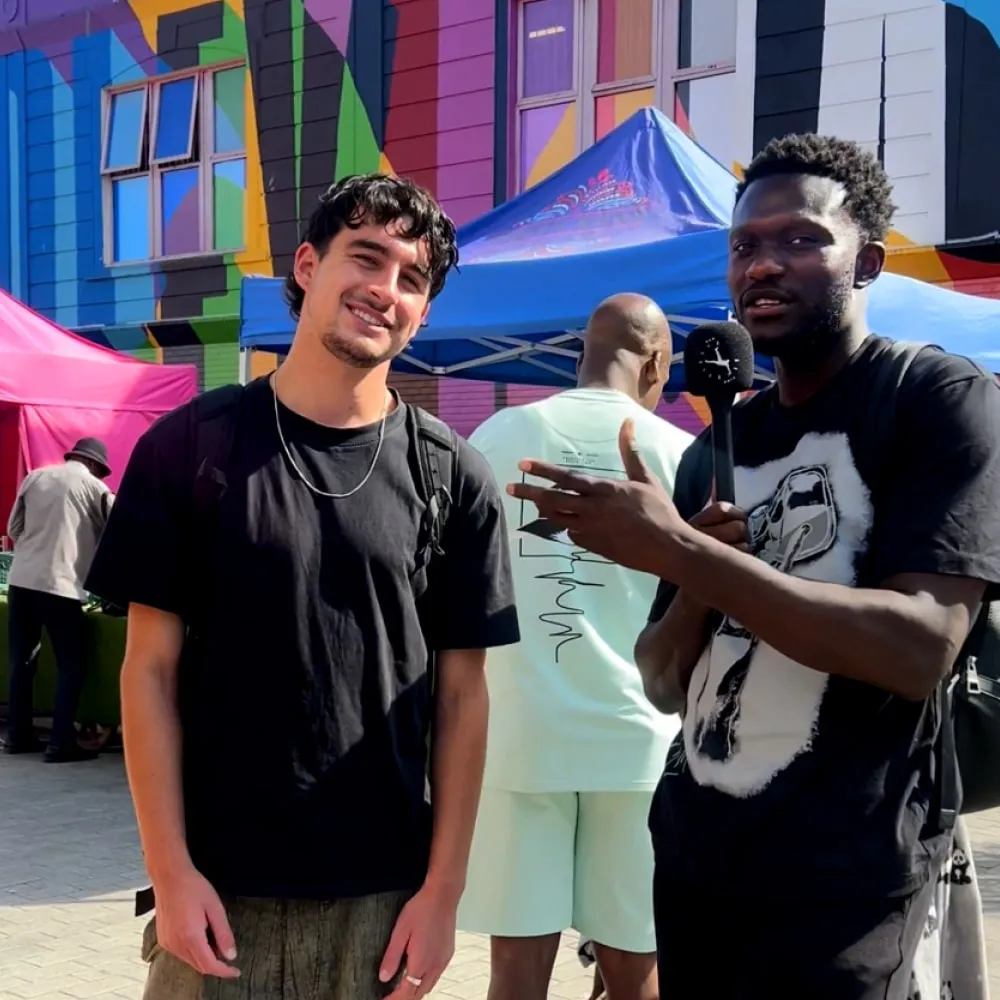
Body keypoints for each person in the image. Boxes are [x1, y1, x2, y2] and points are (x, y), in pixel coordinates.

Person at [507, 134, 1000, 997]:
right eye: (744, 247)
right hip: (700, 870)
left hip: (845, 889)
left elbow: (922, 648)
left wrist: (679, 548)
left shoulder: (934, 400)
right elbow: (663, 683)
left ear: (869, 260)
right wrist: (692, 576)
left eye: (800, 239)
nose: (763, 265)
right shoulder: (715, 448)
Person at [85, 174, 520, 1000]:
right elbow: (147, 671)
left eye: (413, 279)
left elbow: (465, 698)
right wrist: (169, 873)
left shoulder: (452, 475)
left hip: (382, 903)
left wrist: (444, 892)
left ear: (424, 311)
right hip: (215, 895)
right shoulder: (192, 447)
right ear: (308, 264)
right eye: (367, 258)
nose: (385, 291)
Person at [459, 294, 691, 1000]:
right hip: (638, 745)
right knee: (635, 966)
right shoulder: (679, 453)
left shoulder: (497, 438)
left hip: (521, 734)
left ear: (579, 354)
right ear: (655, 361)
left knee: (517, 969)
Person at [3, 436, 113, 763]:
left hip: (21, 581)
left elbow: (14, 528)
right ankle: (61, 742)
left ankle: (18, 736)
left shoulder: (35, 476)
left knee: (22, 661)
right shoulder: (97, 490)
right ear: (94, 464)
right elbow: (117, 535)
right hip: (61, 585)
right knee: (71, 664)